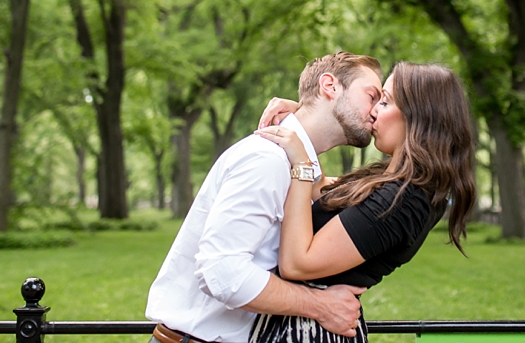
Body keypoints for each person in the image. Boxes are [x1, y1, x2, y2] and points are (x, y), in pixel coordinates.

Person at [145, 52, 383, 343]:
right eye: (372, 96)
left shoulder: (299, 166)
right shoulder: (266, 159)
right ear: (330, 86)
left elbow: (337, 190)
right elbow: (221, 270)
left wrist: (300, 111)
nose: (375, 111)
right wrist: (319, 305)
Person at [251, 62, 476, 343]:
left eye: (385, 101)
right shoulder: (387, 181)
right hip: (305, 323)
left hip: (312, 333)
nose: (372, 111)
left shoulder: (406, 200)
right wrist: (306, 116)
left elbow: (297, 263)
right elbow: (319, 190)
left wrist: (301, 164)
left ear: (419, 116)